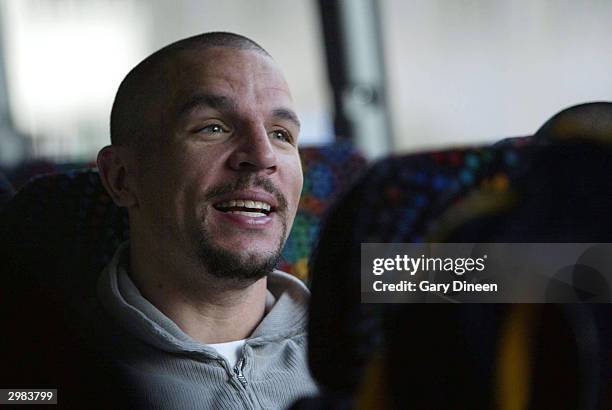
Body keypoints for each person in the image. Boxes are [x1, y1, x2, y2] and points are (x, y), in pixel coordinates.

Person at [94, 32, 318, 409]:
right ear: (122, 177)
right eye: (212, 127)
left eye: (281, 134)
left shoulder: (378, 339)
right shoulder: (44, 367)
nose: (264, 156)